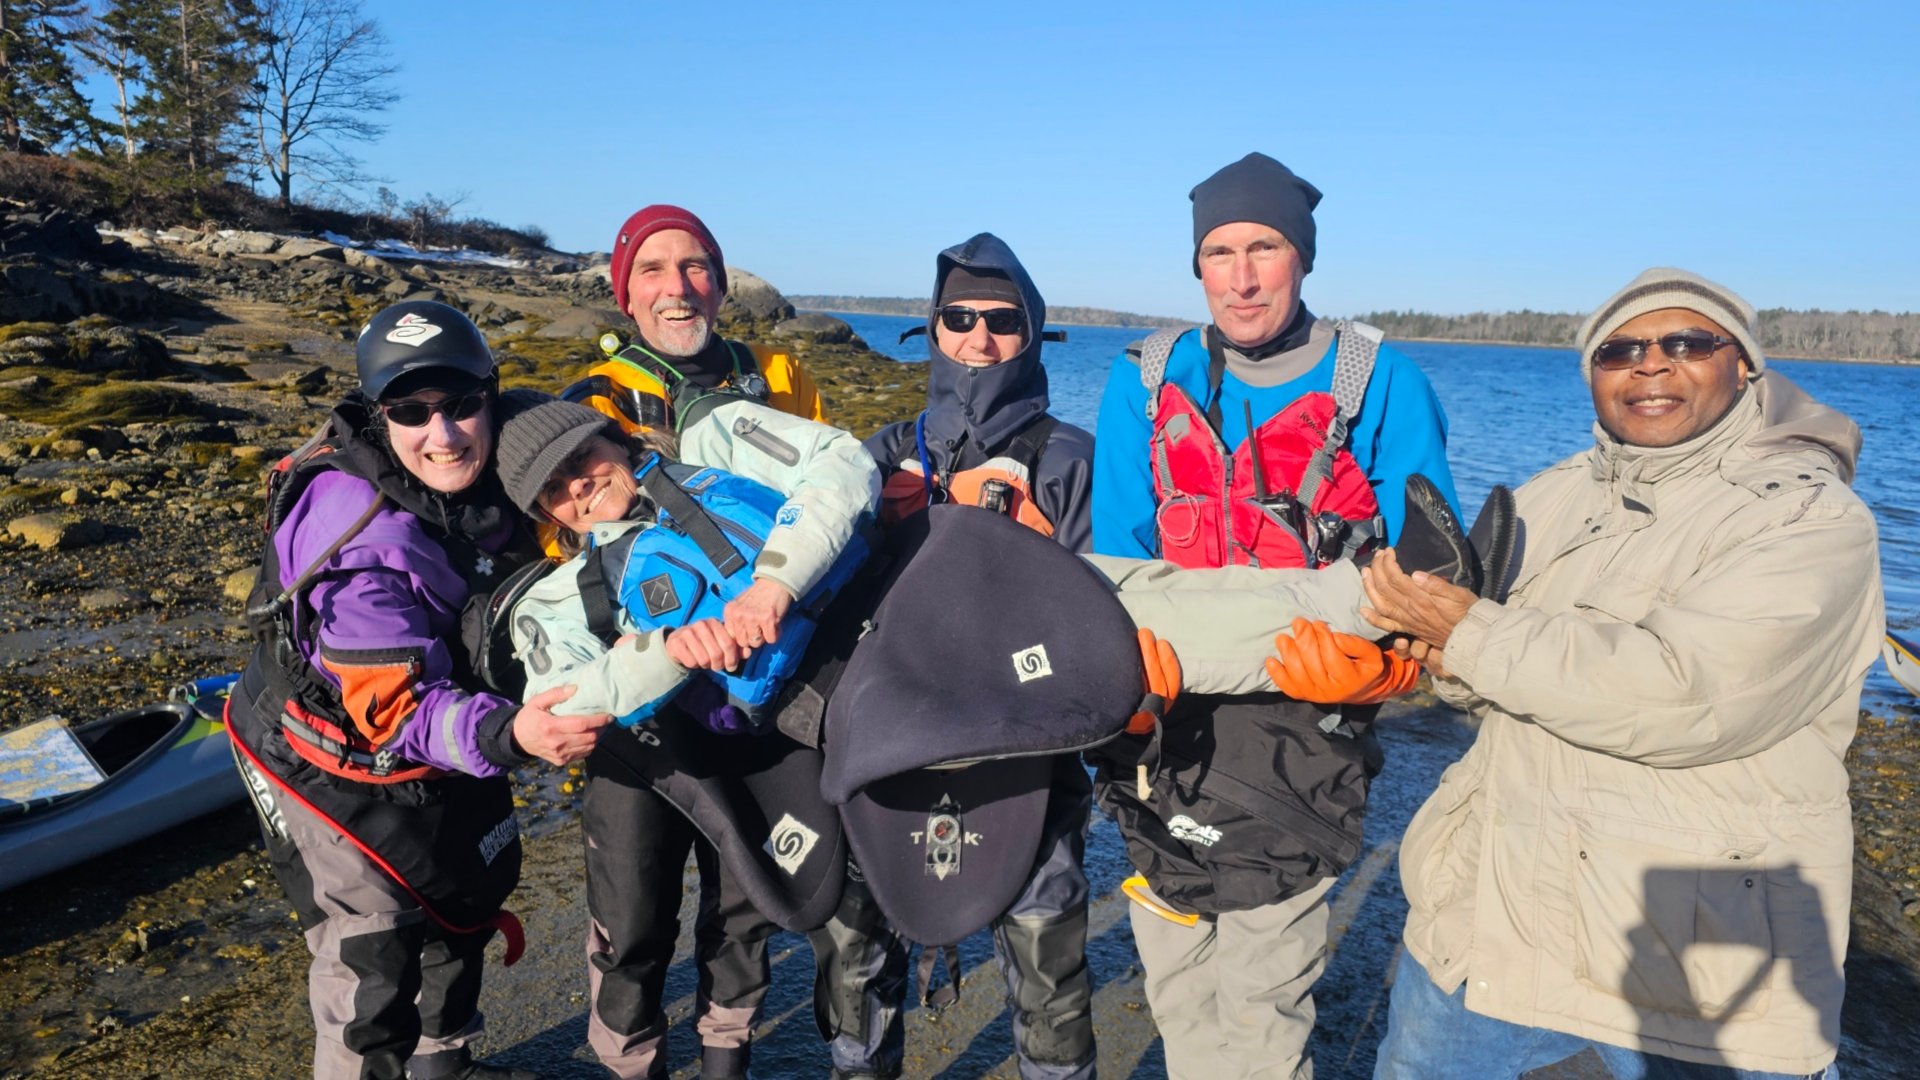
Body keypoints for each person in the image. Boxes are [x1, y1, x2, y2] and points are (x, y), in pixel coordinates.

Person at [1361, 268, 1883, 1080]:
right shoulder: (1552, 494)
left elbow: (1689, 695)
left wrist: (1466, 634)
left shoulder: (1809, 518)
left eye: (1687, 342)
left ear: (1744, 365)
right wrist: (1432, 645)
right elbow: (1492, 667)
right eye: (1619, 351)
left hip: (1689, 971)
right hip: (1487, 933)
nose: (1651, 363)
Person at [1088, 152, 1458, 1079]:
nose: (1242, 277)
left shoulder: (1380, 380)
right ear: (1197, 266)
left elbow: (1433, 571)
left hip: (1301, 730)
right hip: (1164, 726)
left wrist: (1393, 668)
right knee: (1178, 986)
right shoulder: (1144, 379)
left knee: (1263, 1000)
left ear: (1303, 258)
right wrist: (1117, 690)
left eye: (1265, 248)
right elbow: (1120, 559)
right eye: (1220, 252)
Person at [225, 300, 612, 1080]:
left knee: (462, 898)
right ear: (379, 415)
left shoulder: (504, 451)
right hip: (331, 758)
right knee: (373, 951)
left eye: (461, 403)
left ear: (490, 396)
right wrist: (512, 735)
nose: (443, 433)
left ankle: (444, 1066)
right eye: (410, 411)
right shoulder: (361, 537)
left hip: (455, 724)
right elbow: (392, 707)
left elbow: (602, 457)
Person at [568, 203, 838, 1080]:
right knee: (632, 910)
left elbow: (820, 496)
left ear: (720, 285)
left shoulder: (780, 376)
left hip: (760, 684)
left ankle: (726, 1053)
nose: (676, 288)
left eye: (694, 267)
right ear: (625, 294)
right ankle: (629, 1059)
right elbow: (564, 556)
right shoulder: (592, 402)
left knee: (747, 900)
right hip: (644, 709)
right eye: (652, 270)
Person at [831, 232, 1099, 1080]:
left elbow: (1109, 619)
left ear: (1033, 332)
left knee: (1048, 964)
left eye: (1003, 320)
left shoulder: (1072, 460)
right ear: (932, 329)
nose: (980, 337)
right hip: (885, 748)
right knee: (856, 958)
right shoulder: (877, 455)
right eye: (959, 318)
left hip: (1027, 758)